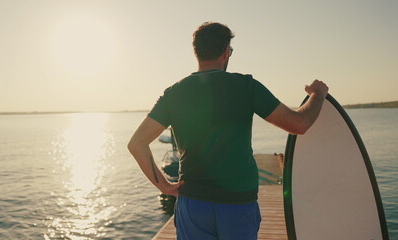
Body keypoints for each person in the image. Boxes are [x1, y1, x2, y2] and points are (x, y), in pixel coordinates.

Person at [128, 22, 328, 240]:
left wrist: (165, 186)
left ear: (196, 52)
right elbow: (299, 123)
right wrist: (317, 95)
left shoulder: (174, 93)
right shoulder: (246, 86)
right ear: (226, 52)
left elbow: (136, 144)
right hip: (237, 204)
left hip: (194, 204)